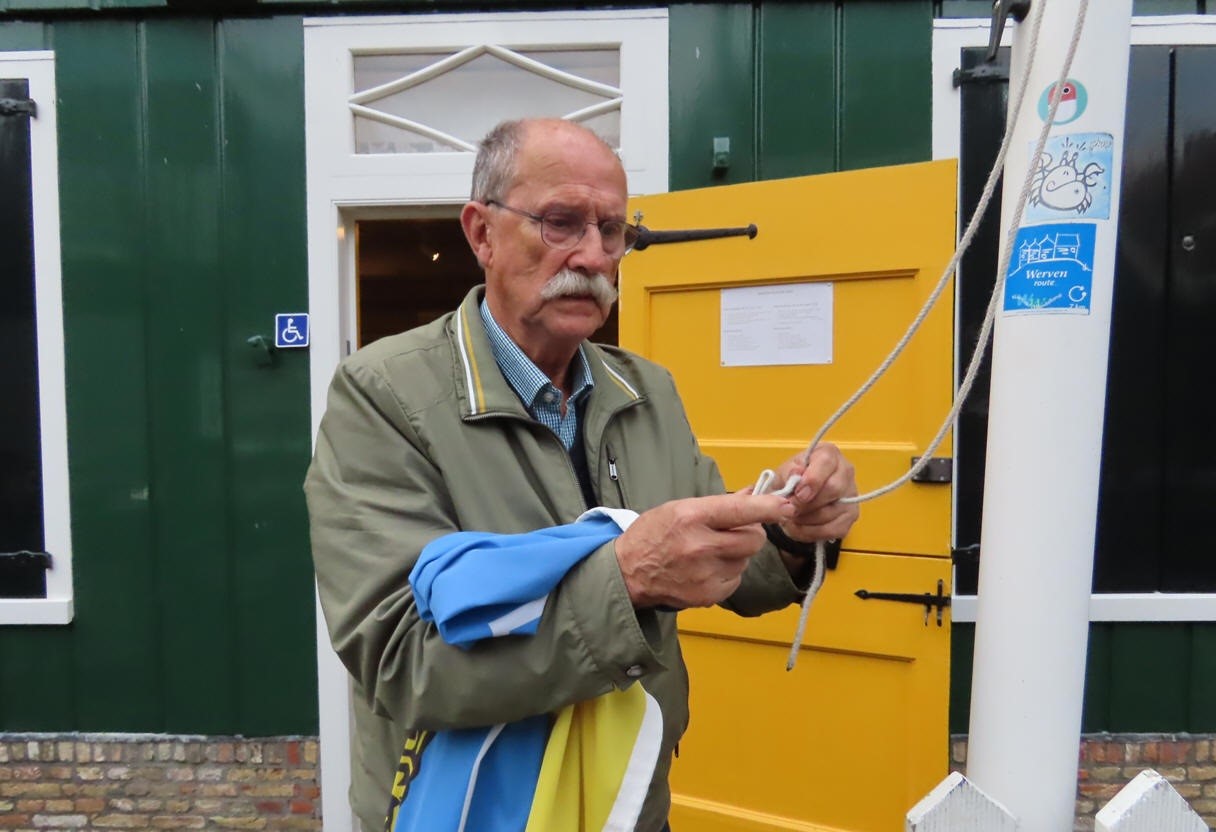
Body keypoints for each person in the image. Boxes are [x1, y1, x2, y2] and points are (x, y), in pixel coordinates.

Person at [305, 117, 860, 832]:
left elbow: (730, 568)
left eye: (613, 230)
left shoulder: (647, 389)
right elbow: (401, 662)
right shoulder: (384, 394)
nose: (594, 256)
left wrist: (790, 527)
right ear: (481, 233)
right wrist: (627, 579)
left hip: (627, 806)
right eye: (561, 222)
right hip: (473, 813)